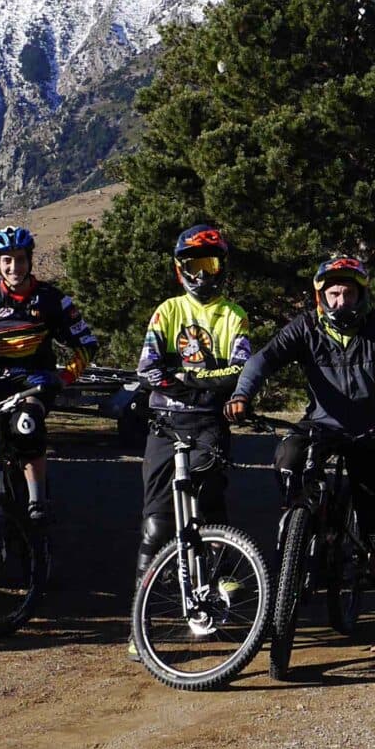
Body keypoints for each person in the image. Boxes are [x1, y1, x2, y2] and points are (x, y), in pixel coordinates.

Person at [228, 254, 375, 653]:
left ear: (361, 295)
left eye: (347, 293)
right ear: (320, 297)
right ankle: (301, 521)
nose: (340, 301)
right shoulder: (307, 326)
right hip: (322, 424)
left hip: (370, 429)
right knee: (288, 456)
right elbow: (264, 358)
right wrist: (243, 393)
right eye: (333, 293)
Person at [0, 227, 99, 523]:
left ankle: (36, 500)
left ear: (30, 260)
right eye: (7, 260)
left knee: (26, 427)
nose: (14, 267)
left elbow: (87, 344)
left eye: (20, 259)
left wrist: (63, 379)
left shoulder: (53, 300)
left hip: (35, 384)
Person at [134, 224, 253, 596]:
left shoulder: (234, 315)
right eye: (194, 265)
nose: (202, 275)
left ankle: (222, 569)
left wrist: (185, 379)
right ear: (180, 268)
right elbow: (147, 368)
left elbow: (240, 371)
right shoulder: (167, 311)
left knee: (209, 501)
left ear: (223, 268)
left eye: (210, 264)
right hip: (165, 425)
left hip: (208, 426)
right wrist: (205, 383)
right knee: (155, 525)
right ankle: (141, 613)